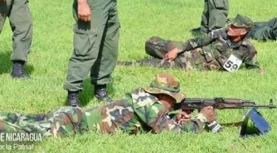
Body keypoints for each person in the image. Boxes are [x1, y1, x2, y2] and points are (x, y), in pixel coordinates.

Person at [0, 73, 217, 137]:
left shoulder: (144, 99)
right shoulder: (149, 105)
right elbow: (170, 133)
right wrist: (201, 119)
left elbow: (159, 122)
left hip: (71, 117)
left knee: (17, 118)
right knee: (15, 131)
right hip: (71, 126)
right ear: (162, 96)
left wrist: (175, 118)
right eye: (173, 99)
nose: (175, 103)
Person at [119, 14, 260, 72]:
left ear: (243, 32)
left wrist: (258, 71)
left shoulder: (247, 49)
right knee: (152, 42)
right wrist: (178, 49)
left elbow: (254, 67)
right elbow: (197, 41)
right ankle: (165, 54)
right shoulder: (220, 33)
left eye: (234, 27)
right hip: (189, 52)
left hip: (188, 64)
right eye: (231, 24)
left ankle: (119, 64)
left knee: (147, 64)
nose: (230, 27)